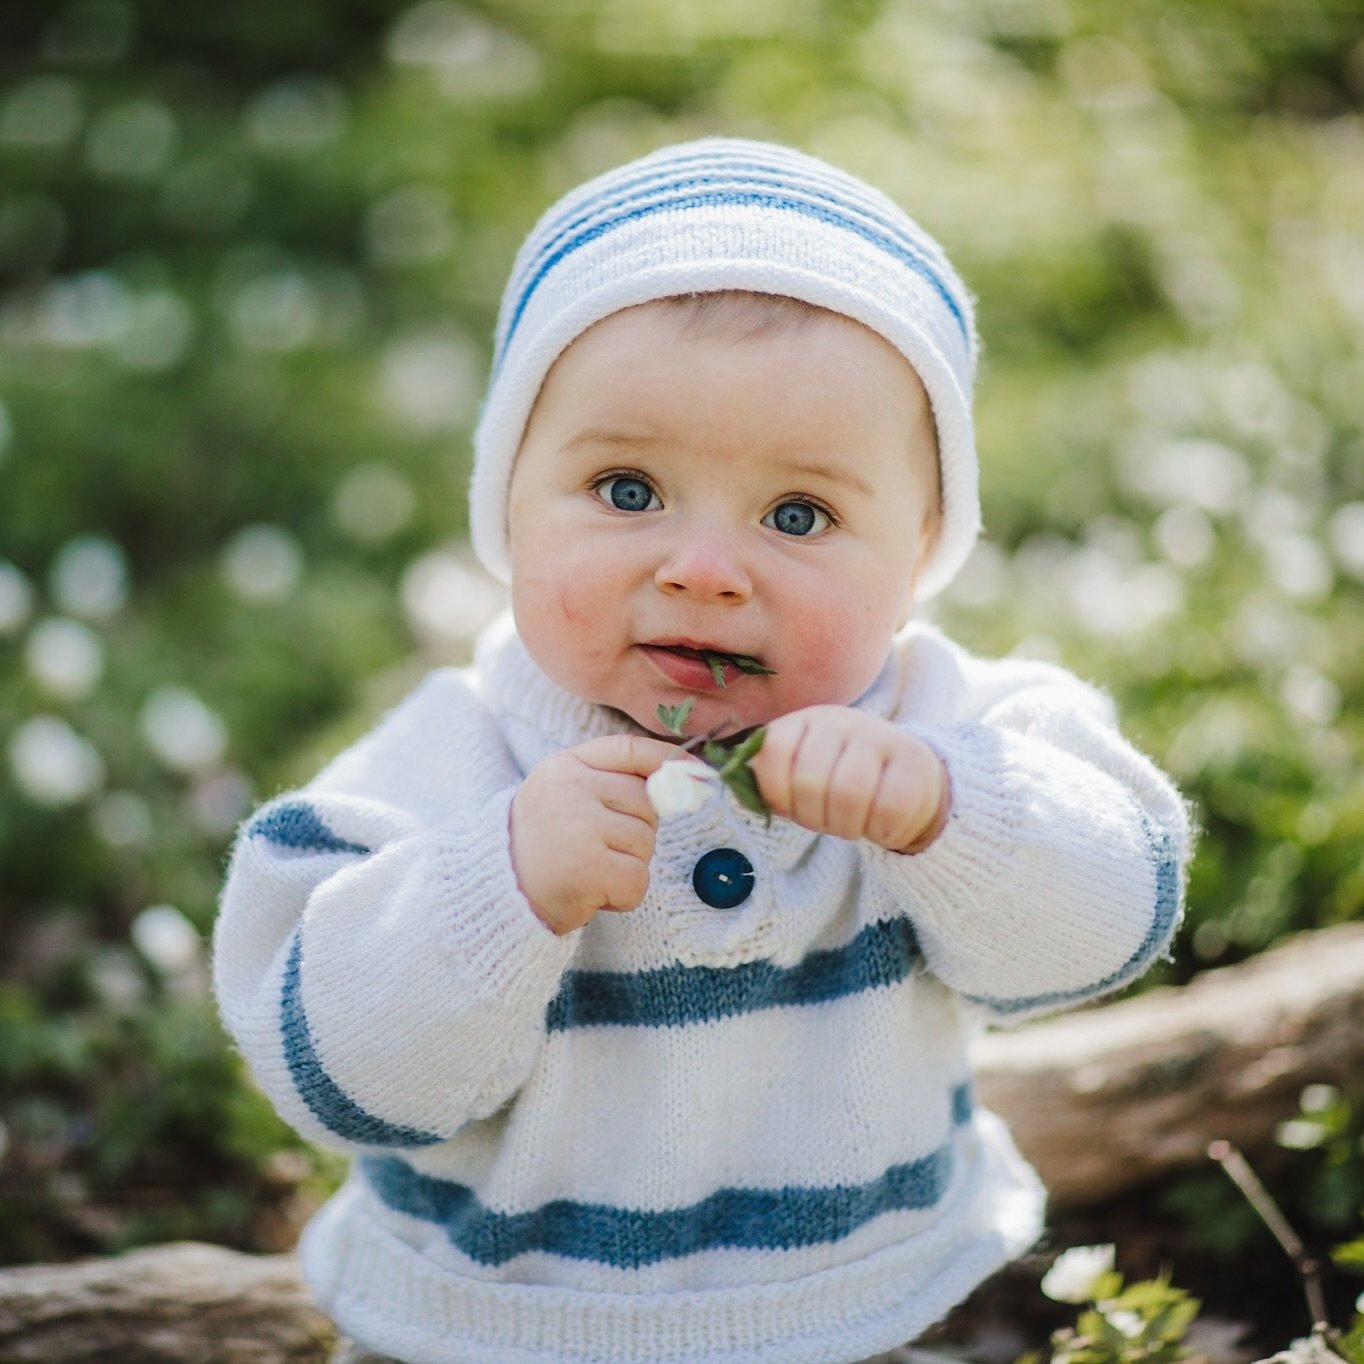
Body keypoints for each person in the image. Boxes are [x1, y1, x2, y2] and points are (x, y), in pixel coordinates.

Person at [213, 137, 1190, 1364]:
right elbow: (334, 1075)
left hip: (846, 1312)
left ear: (921, 547)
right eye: (627, 489)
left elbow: (1113, 919)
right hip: (490, 1325)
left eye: (798, 514)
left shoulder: (948, 726)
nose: (704, 570)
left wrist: (955, 814)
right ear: (506, 501)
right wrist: (496, 888)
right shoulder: (441, 768)